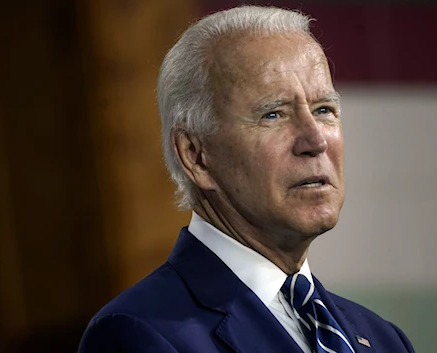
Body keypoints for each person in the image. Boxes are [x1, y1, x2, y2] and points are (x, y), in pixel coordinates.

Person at [78, 5, 415, 353]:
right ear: (196, 155)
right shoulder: (139, 335)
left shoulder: (384, 339)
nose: (315, 141)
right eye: (273, 114)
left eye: (323, 110)